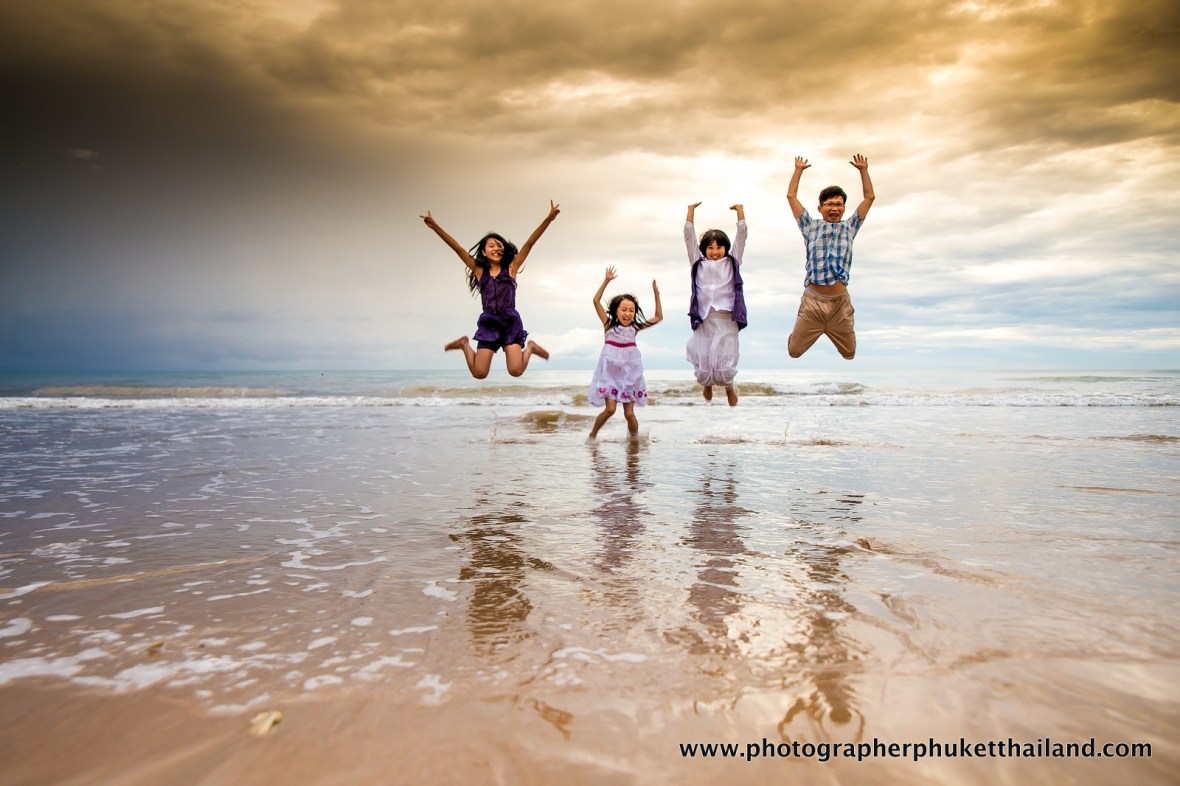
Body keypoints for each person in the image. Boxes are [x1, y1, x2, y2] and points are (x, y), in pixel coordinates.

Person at [420, 201, 560, 378]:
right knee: (479, 373)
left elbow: (530, 243)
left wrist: (548, 219)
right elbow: (457, 248)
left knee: (515, 370)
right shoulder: (479, 270)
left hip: (510, 322)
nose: (496, 248)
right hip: (489, 323)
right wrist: (435, 227)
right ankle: (464, 344)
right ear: (484, 252)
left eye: (499, 245)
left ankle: (530, 347)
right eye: (491, 245)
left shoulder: (511, 268)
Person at [785, 154, 876, 359]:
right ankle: (813, 328)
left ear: (843, 207)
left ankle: (829, 329)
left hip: (839, 305)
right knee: (794, 352)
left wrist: (863, 170)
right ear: (821, 208)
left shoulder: (850, 227)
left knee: (849, 353)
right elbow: (791, 196)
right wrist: (798, 170)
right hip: (812, 304)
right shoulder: (810, 226)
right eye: (829, 204)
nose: (834, 208)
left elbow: (869, 198)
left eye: (839, 204)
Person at [587, 267, 663, 439]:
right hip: (610, 376)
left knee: (629, 414)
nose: (628, 313)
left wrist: (656, 295)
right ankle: (592, 436)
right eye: (624, 309)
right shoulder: (609, 326)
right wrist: (606, 281)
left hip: (629, 375)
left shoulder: (635, 328)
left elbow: (658, 317)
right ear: (616, 311)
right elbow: (596, 301)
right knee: (610, 409)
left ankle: (634, 440)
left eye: (631, 310)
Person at [685, 202, 747, 406]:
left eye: (719, 247)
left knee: (726, 356)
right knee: (703, 354)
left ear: (725, 248)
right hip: (704, 317)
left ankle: (729, 385)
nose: (715, 251)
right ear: (704, 249)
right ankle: (707, 383)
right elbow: (689, 239)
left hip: (727, 315)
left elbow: (742, 237)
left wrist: (739, 212)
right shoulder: (697, 263)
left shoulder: (732, 261)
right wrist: (691, 213)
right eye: (710, 247)